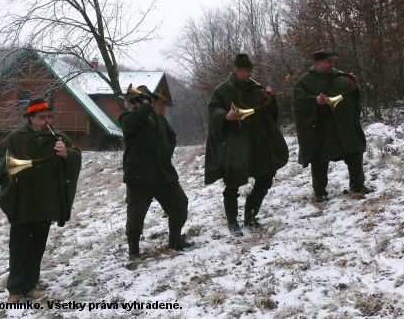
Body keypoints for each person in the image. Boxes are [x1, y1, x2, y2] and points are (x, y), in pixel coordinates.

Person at [0, 98, 82, 303]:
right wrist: (9, 169)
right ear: (31, 118)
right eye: (42, 117)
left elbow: (76, 156)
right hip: (22, 201)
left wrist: (67, 154)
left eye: (49, 116)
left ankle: (30, 286)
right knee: (19, 246)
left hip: (45, 200)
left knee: (37, 246)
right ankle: (15, 289)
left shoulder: (58, 137)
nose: (47, 121)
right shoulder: (15, 138)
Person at [205, 54, 289, 236]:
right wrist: (226, 117)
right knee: (233, 184)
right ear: (236, 71)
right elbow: (212, 112)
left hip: (259, 142)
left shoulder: (255, 88)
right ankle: (232, 222)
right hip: (236, 145)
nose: (249, 74)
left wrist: (269, 99)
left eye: (251, 70)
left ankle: (250, 216)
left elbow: (270, 114)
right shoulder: (222, 90)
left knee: (265, 179)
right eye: (246, 71)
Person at [119, 85, 192, 259]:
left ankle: (175, 241)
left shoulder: (160, 119)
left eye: (146, 100)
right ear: (136, 102)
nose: (146, 103)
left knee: (180, 203)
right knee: (136, 215)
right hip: (139, 175)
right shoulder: (128, 117)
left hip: (163, 173)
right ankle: (134, 251)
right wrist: (144, 107)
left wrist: (166, 153)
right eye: (142, 100)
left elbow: (171, 137)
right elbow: (132, 124)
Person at [292, 49, 373, 202]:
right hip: (323, 128)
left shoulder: (339, 77)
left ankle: (357, 185)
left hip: (345, 125)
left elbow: (351, 94)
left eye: (333, 61)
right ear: (318, 63)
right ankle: (320, 191)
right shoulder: (305, 81)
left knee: (355, 152)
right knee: (320, 159)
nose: (332, 64)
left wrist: (352, 84)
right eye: (329, 62)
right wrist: (314, 100)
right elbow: (298, 102)